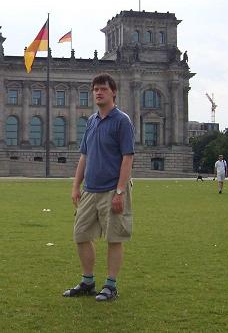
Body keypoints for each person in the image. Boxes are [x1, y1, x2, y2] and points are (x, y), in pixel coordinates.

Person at [63, 73, 135, 302]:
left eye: (103, 89)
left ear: (113, 92)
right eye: (95, 89)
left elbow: (127, 158)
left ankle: (111, 285)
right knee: (81, 234)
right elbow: (84, 155)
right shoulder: (92, 120)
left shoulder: (122, 120)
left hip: (113, 189)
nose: (98, 93)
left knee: (115, 238)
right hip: (90, 190)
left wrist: (120, 191)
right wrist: (76, 186)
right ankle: (88, 281)